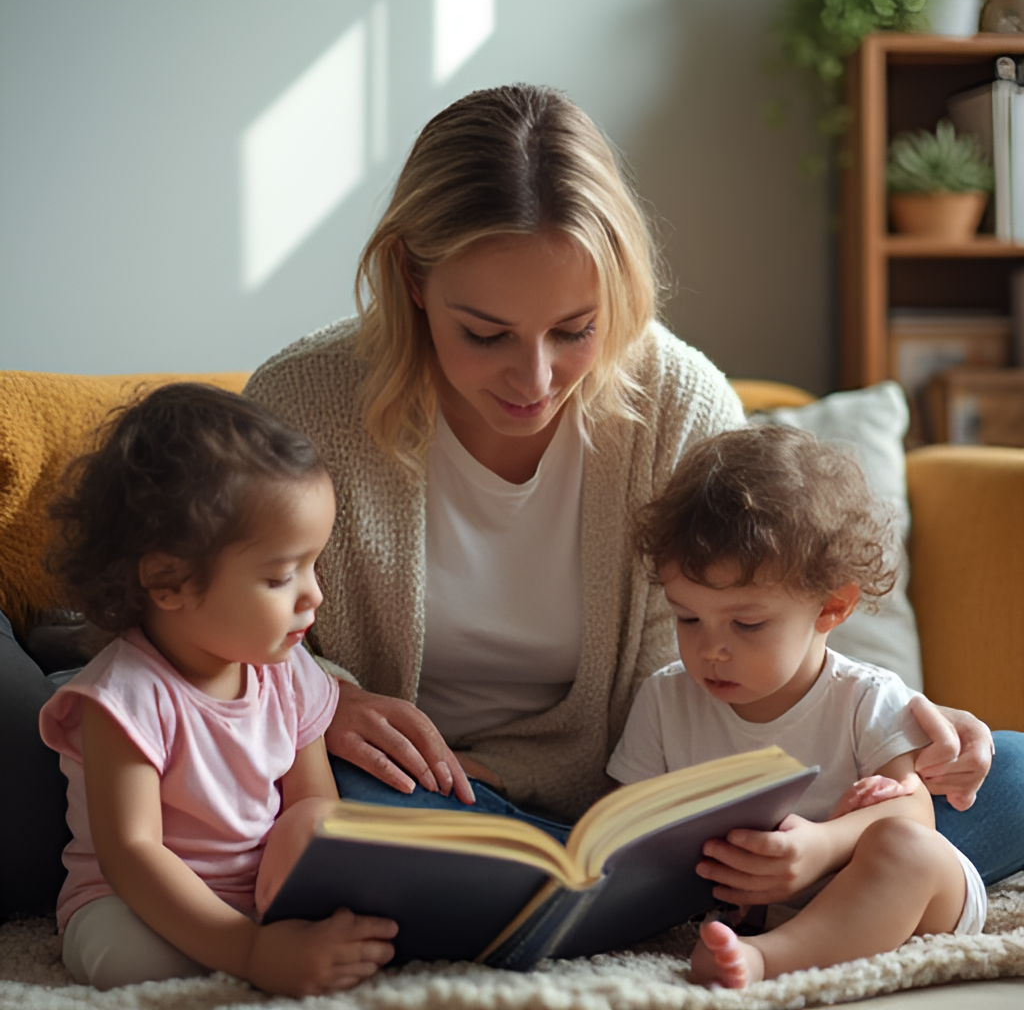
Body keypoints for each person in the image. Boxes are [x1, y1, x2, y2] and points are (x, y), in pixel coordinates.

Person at [242, 83, 1022, 870]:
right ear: (412, 278)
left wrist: (890, 730)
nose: (535, 379)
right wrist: (324, 701)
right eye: (485, 334)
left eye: (576, 329)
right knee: (320, 803)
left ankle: (568, 889)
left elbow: (730, 662)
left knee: (1005, 773)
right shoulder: (301, 404)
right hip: (404, 791)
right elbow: (184, 632)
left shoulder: (679, 402)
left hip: (639, 808)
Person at [37, 384, 397, 995]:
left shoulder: (287, 667)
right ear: (168, 579)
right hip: (133, 902)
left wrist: (309, 846)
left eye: (314, 565)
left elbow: (312, 798)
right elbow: (132, 855)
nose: (313, 595)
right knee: (125, 957)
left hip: (256, 892)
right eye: (282, 575)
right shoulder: (124, 699)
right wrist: (252, 950)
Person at [607, 424, 986, 987]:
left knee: (906, 847)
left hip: (892, 895)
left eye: (747, 623)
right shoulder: (665, 698)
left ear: (831, 608)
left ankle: (768, 960)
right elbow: (622, 823)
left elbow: (914, 813)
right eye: (688, 618)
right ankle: (772, 941)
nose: (710, 649)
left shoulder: (865, 695)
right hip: (752, 902)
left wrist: (820, 846)